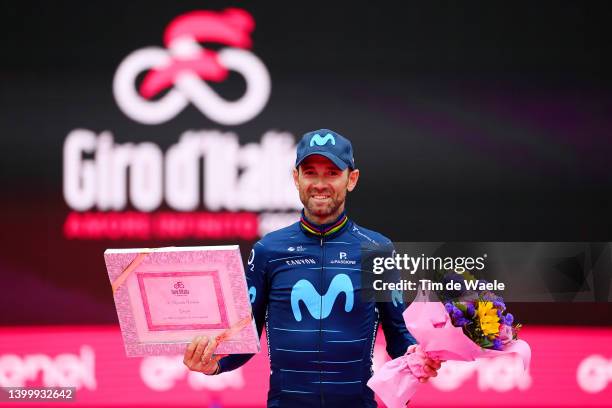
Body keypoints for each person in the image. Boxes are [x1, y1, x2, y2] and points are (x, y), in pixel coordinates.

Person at [183, 129, 442, 407]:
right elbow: (245, 338)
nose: (320, 183)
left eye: (332, 173)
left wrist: (416, 356)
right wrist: (214, 365)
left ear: (351, 179)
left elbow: (398, 332)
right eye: (310, 172)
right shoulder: (268, 250)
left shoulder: (377, 249)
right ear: (296, 178)